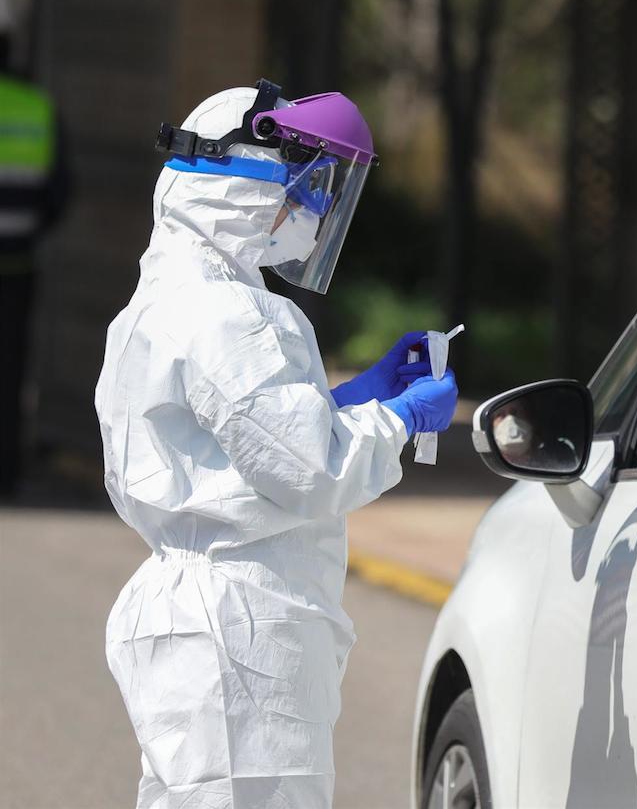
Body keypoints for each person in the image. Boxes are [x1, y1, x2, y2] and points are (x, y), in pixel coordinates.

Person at [95, 81, 457, 808]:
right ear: (244, 184)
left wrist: (360, 395)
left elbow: (242, 441)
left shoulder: (172, 294)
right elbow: (310, 468)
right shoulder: (227, 314)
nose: (314, 210)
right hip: (240, 633)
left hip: (201, 617)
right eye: (306, 185)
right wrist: (405, 420)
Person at [0, 0, 66, 497]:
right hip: (17, 265)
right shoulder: (36, 108)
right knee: (10, 369)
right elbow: (60, 191)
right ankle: (6, 473)